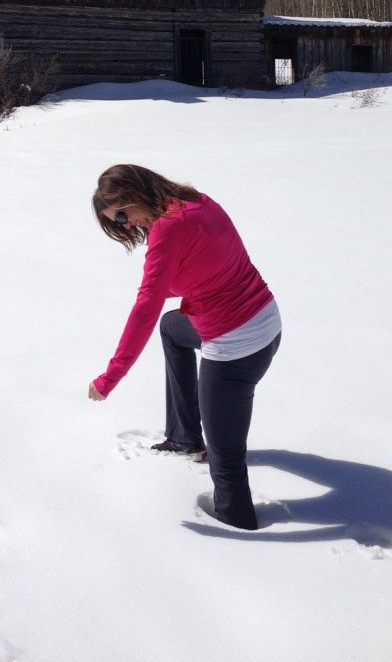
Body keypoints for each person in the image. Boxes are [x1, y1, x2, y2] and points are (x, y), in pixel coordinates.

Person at [88, 164, 281, 530]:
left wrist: (110, 376)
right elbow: (205, 267)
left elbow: (147, 304)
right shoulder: (195, 202)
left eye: (123, 215)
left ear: (135, 194)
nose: (126, 225)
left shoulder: (168, 227)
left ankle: (237, 527)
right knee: (173, 327)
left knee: (226, 461)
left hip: (237, 349)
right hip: (267, 321)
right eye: (117, 222)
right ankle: (183, 436)